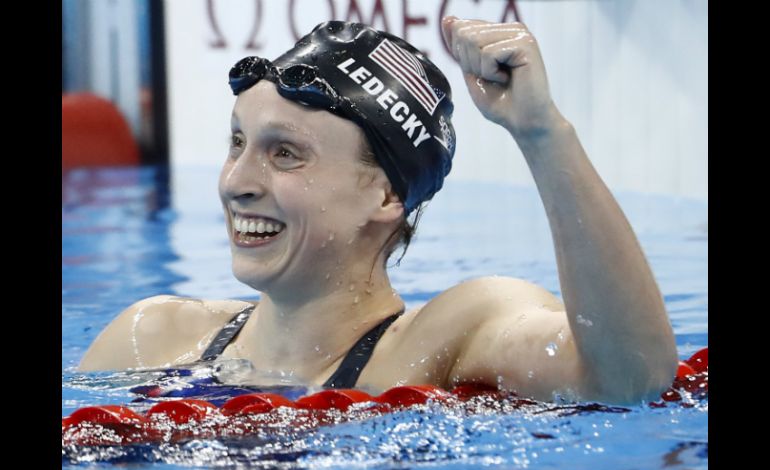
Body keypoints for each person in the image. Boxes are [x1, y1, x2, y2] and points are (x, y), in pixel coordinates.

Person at [78, 17, 677, 405]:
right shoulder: (150, 337)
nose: (237, 182)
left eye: (285, 154)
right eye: (238, 142)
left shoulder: (446, 338)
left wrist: (544, 135)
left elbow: (631, 380)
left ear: (387, 196)